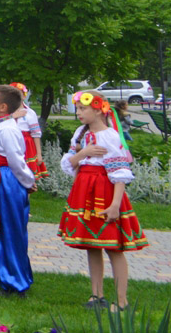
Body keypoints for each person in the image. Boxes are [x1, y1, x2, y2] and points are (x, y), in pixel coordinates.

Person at [59, 91, 149, 311]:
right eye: (77, 108)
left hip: (104, 192)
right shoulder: (80, 134)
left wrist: (115, 205)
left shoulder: (109, 136)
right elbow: (70, 163)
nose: (78, 113)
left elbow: (119, 172)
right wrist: (84, 153)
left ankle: (121, 300)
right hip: (84, 191)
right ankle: (96, 294)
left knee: (113, 247)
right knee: (92, 245)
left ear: (98, 109)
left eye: (83, 109)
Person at [0, 83, 36, 297]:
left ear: (3, 107)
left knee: (9, 229)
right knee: (2, 229)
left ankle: (16, 281)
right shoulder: (4, 125)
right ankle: (8, 278)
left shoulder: (7, 129)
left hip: (6, 179)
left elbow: (16, 161)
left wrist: (27, 181)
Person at [11, 82, 48, 180]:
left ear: (24, 96)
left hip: (26, 146)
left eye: (19, 94)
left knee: (27, 177)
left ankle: (26, 195)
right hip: (11, 143)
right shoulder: (5, 112)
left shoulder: (30, 113)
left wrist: (39, 154)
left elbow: (36, 134)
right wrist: (13, 116)